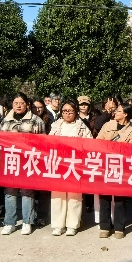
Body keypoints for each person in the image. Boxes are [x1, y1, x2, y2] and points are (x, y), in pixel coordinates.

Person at [0, 93, 45, 235]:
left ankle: (27, 221)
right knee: (10, 191)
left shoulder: (36, 120)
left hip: (28, 161)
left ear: (27, 104)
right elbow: (0, 141)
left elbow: (44, 142)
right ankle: (10, 222)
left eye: (21, 103)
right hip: (11, 160)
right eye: (16, 103)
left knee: (27, 192)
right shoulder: (5, 120)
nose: (18, 105)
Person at [46, 100, 94, 236]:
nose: (67, 114)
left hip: (75, 164)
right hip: (58, 164)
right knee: (57, 195)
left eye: (71, 111)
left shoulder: (82, 127)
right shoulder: (56, 125)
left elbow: (90, 144)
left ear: (76, 112)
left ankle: (72, 225)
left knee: (74, 196)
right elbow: (48, 143)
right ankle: (58, 225)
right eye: (65, 111)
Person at [96, 103, 132, 238]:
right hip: (105, 164)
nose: (115, 113)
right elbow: (98, 141)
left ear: (125, 114)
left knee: (120, 198)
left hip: (121, 166)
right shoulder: (107, 126)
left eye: (119, 111)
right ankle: (105, 226)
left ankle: (119, 227)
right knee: (104, 197)